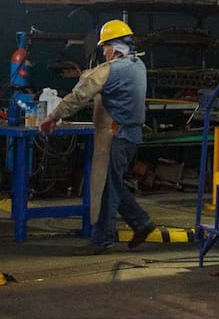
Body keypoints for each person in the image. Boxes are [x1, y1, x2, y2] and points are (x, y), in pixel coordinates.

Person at [40, 19, 155, 255]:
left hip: (116, 134)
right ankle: (141, 222)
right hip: (131, 135)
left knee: (106, 187)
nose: (104, 53)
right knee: (113, 184)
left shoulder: (112, 70)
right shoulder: (138, 65)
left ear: (113, 48)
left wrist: (53, 116)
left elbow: (80, 94)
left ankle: (101, 241)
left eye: (105, 48)